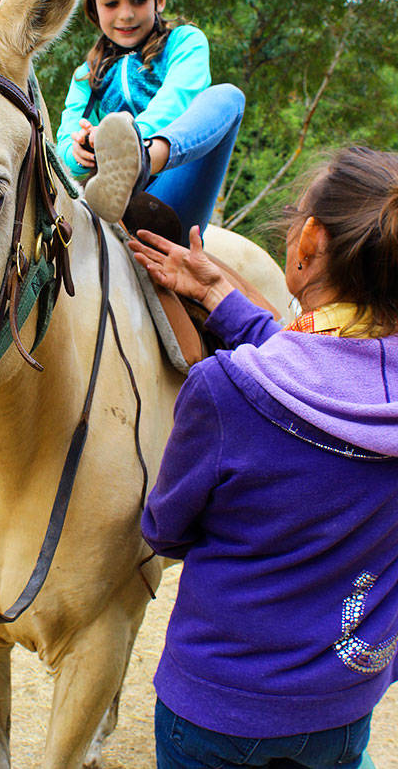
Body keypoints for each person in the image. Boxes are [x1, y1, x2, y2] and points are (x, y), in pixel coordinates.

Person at [128, 145, 398, 769]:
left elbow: (166, 531)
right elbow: (338, 373)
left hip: (220, 708)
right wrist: (227, 300)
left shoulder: (225, 391)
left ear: (308, 242)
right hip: (344, 702)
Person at [56, 0, 245, 232]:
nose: (126, 13)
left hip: (171, 195)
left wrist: (129, 141)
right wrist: (82, 149)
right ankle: (129, 162)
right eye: (111, 3)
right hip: (108, 203)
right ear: (94, 7)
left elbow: (177, 100)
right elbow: (65, 141)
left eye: (139, 0)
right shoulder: (86, 76)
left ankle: (141, 161)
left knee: (228, 97)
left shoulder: (185, 42)